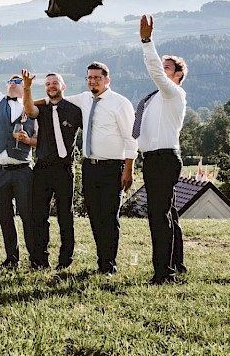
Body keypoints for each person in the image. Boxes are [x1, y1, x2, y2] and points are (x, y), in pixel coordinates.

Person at [62, 60, 137, 275]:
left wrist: (128, 169)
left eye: (97, 78)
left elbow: (131, 138)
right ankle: (101, 262)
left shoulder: (120, 103)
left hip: (113, 168)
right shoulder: (84, 99)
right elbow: (57, 99)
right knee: (94, 215)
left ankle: (109, 266)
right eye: (90, 78)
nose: (93, 81)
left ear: (107, 80)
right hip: (90, 167)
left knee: (109, 216)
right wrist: (26, 99)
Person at [136, 14, 188, 284]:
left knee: (158, 215)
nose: (161, 70)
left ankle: (163, 273)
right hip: (153, 159)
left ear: (177, 75)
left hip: (164, 159)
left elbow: (154, 70)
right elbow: (153, 68)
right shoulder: (155, 98)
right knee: (168, 213)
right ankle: (176, 264)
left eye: (167, 67)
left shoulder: (173, 93)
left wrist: (147, 42)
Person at [0, 29, 37, 269]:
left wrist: (28, 141)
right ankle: (11, 258)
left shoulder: (33, 108)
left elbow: (41, 140)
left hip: (23, 169)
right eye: (11, 81)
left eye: (17, 81)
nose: (13, 83)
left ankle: (35, 258)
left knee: (27, 215)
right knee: (4, 215)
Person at [20, 69, 83, 269]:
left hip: (65, 169)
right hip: (43, 168)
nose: (51, 86)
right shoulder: (43, 109)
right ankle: (40, 260)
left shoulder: (75, 110)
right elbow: (30, 110)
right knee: (39, 215)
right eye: (47, 84)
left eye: (55, 83)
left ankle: (65, 261)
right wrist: (27, 88)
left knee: (65, 215)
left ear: (63, 86)